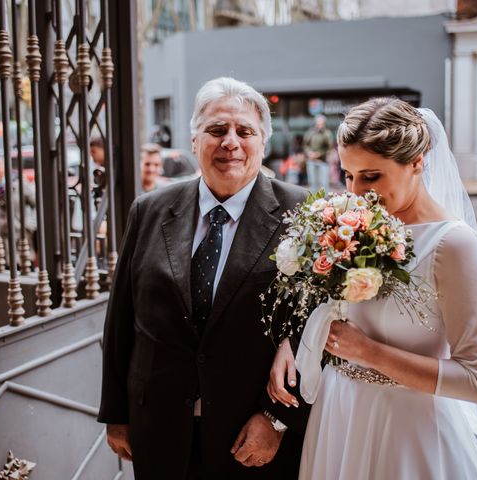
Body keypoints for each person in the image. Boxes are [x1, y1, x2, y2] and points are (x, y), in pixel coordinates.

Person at [269, 98, 477, 479]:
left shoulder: (452, 244)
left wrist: (370, 353)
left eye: (371, 177)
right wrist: (291, 343)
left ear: (417, 162)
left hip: (406, 430)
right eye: (348, 176)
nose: (357, 193)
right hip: (339, 415)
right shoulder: (350, 227)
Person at [98, 77, 310, 479]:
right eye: (216, 130)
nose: (230, 142)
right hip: (159, 429)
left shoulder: (304, 214)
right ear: (195, 141)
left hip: (250, 434)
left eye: (244, 131)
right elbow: (122, 319)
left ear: (262, 142)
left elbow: (317, 329)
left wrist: (278, 419)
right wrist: (117, 413)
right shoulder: (149, 210)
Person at [0, 155, 36, 266]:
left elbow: (38, 206)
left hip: (22, 249)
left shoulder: (20, 185)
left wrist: (29, 227)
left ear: (4, 167)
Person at [303, 115, 333, 193]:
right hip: (311, 161)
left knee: (324, 183)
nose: (320, 125)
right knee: (313, 182)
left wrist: (320, 154)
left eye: (322, 123)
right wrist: (309, 153)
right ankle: (313, 202)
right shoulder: (310, 132)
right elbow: (305, 145)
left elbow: (329, 147)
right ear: (315, 123)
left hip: (322, 161)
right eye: (318, 123)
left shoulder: (327, 133)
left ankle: (325, 202)